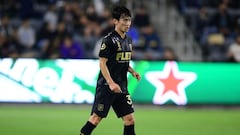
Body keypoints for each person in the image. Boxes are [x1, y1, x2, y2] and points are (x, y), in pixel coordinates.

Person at [80, 5, 141, 135]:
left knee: (130, 120)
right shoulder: (108, 40)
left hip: (121, 87)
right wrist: (111, 83)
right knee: (96, 119)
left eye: (129, 20)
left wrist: (131, 71)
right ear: (115, 21)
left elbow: (122, 61)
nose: (128, 23)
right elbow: (102, 63)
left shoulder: (128, 40)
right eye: (124, 20)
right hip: (107, 87)